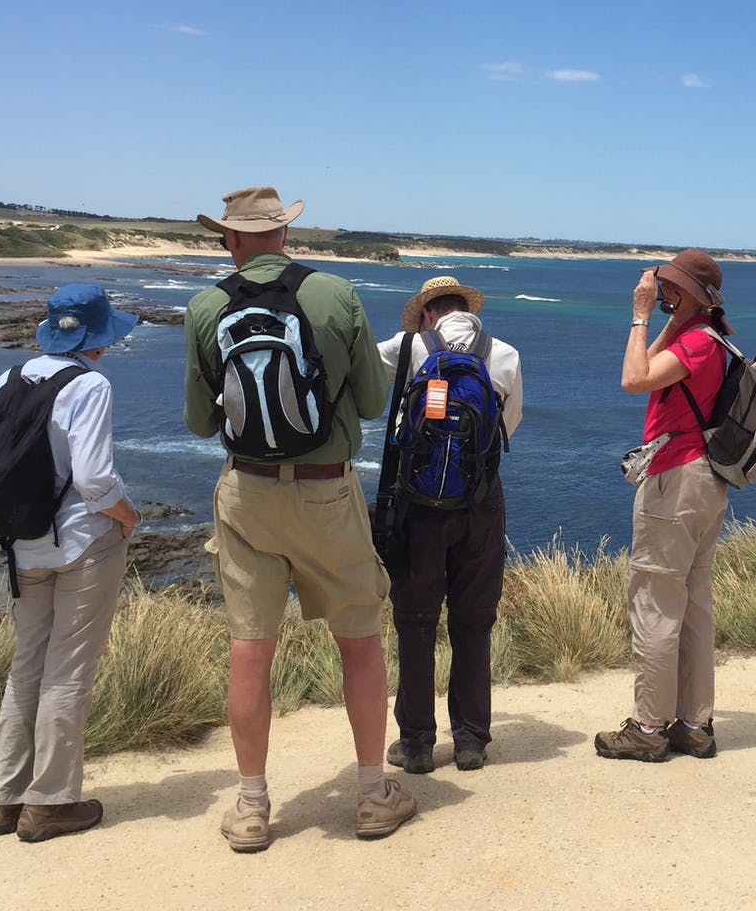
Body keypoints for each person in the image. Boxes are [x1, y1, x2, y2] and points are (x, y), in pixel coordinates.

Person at [182, 186, 413, 850]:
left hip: (246, 494)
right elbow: (371, 401)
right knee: (359, 639)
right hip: (325, 492)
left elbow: (200, 422)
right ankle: (372, 795)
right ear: (283, 234)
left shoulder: (204, 307)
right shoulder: (335, 295)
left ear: (230, 239)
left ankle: (252, 807)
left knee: (250, 648)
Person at [0, 284, 140, 842]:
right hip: (80, 542)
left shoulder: (10, 377)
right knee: (68, 670)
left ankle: (4, 798)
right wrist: (128, 515)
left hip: (22, 542)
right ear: (99, 336)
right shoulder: (90, 384)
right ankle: (49, 803)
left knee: (27, 663)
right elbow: (93, 477)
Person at [377, 276, 523, 774]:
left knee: (415, 620)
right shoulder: (505, 354)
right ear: (469, 311)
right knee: (474, 620)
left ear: (426, 313)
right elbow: (508, 426)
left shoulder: (408, 347)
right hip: (480, 502)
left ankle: (417, 744)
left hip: (418, 505)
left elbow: (363, 380)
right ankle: (471, 741)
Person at [595, 248, 732, 763]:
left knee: (655, 602)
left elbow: (633, 379)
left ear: (696, 295)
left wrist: (640, 314)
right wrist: (671, 317)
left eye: (674, 286)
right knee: (693, 605)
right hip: (705, 483)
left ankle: (649, 727)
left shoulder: (696, 343)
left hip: (675, 480)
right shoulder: (704, 336)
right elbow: (649, 365)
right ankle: (694, 725)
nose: (663, 290)